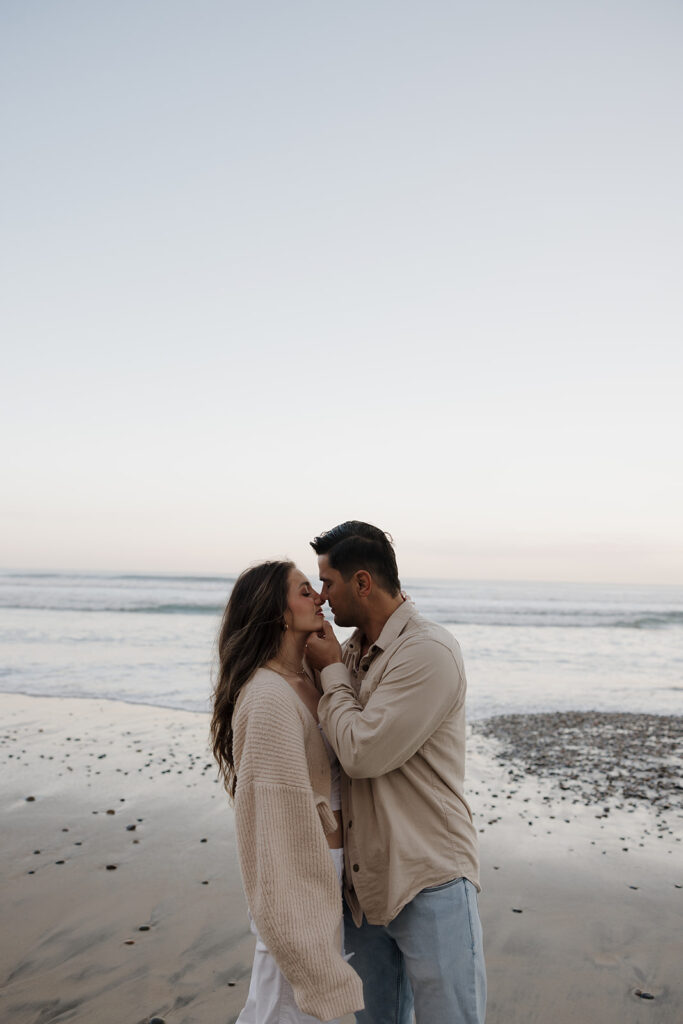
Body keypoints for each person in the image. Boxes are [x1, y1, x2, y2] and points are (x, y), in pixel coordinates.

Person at [305, 522, 486, 1024]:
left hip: (428, 879)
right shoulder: (351, 653)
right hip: (365, 889)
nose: (322, 597)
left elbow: (360, 752)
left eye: (329, 582)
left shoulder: (428, 652)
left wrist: (329, 675)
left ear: (362, 583)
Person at [211, 560, 364, 1024]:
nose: (318, 596)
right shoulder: (267, 696)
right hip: (296, 880)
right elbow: (273, 820)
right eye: (303, 591)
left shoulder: (308, 681)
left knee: (279, 1006)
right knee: (284, 1009)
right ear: (279, 613)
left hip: (324, 871)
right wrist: (288, 910)